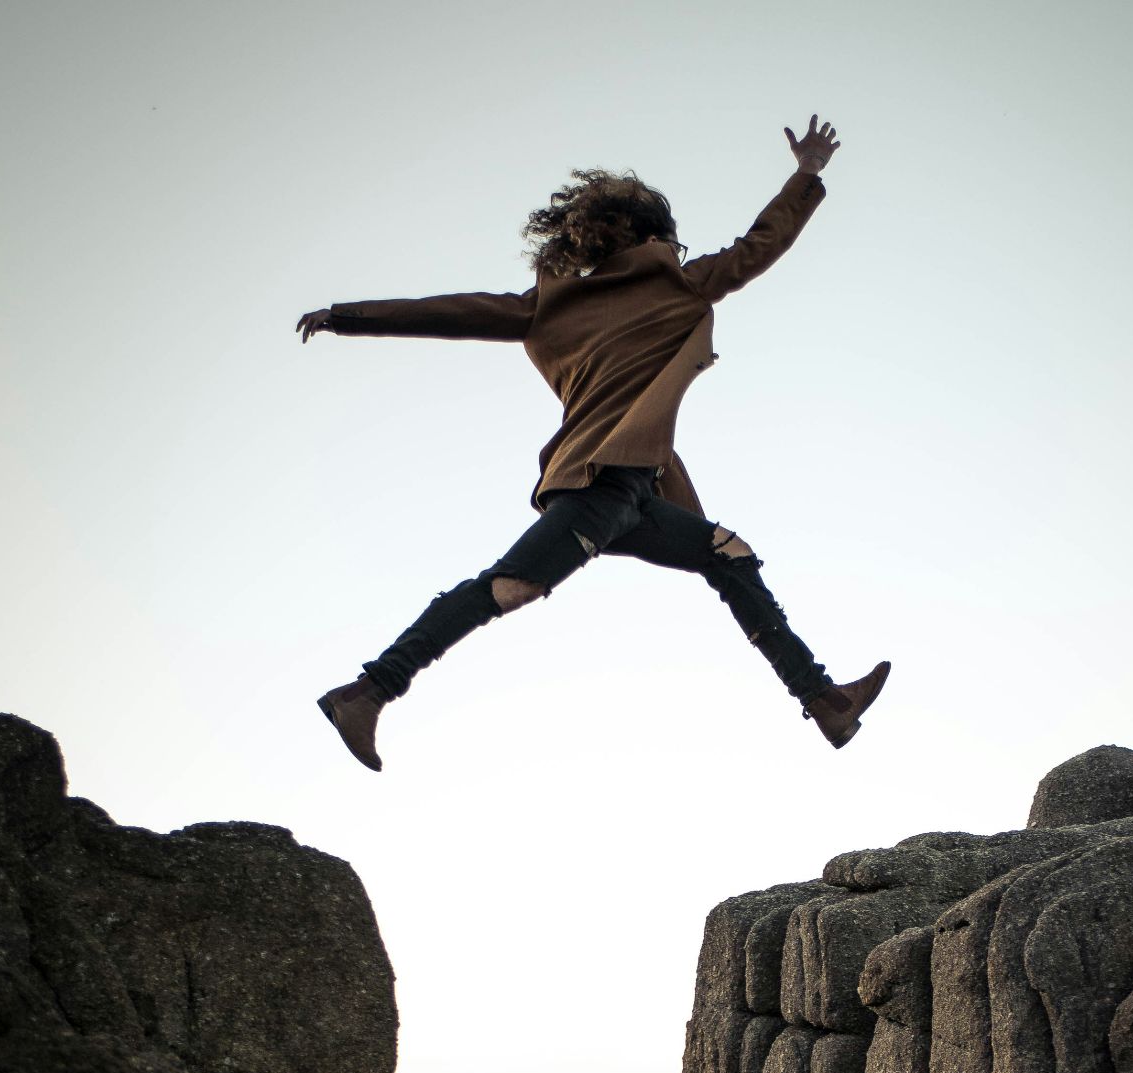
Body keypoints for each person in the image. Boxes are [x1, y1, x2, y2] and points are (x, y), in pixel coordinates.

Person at [297, 114, 888, 771]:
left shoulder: (552, 304)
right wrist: (805, 175)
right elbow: (760, 245)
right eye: (669, 236)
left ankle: (824, 700)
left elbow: (450, 309)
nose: (678, 246)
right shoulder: (673, 284)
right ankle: (369, 691)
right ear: (650, 236)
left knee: (728, 554)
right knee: (510, 586)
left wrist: (347, 317)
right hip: (597, 485)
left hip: (636, 491)